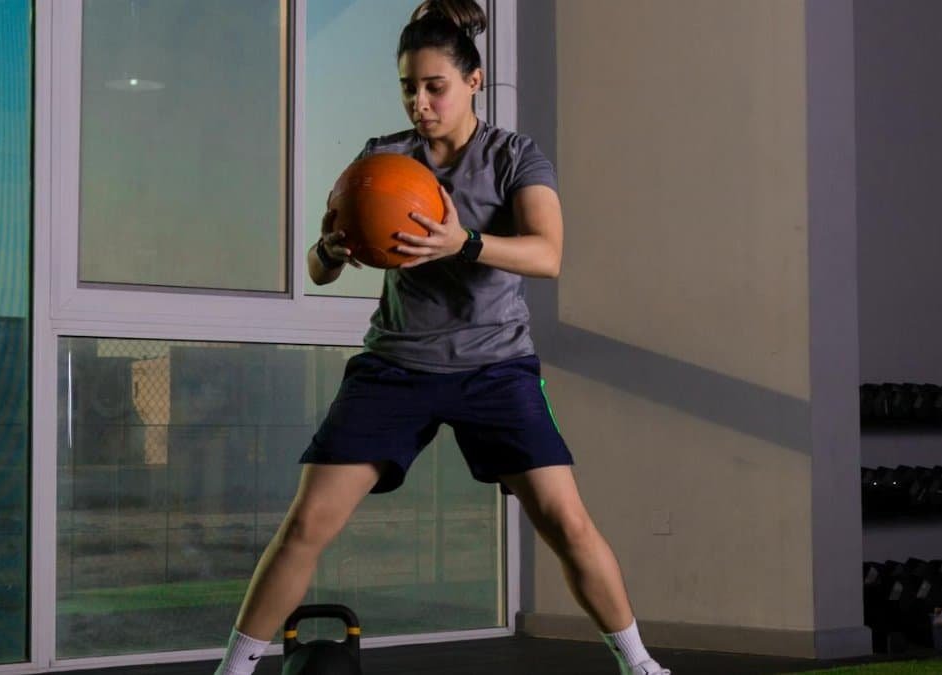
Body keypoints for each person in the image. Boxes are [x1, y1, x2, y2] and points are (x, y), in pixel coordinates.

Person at [212, 1, 670, 674]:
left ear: (473, 81)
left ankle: (641, 666)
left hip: (495, 367)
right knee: (308, 524)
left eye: (435, 87)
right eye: (407, 87)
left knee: (567, 524)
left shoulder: (513, 157)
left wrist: (466, 242)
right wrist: (330, 249)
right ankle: (232, 670)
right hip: (396, 365)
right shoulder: (382, 159)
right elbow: (319, 264)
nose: (419, 102)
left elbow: (547, 254)